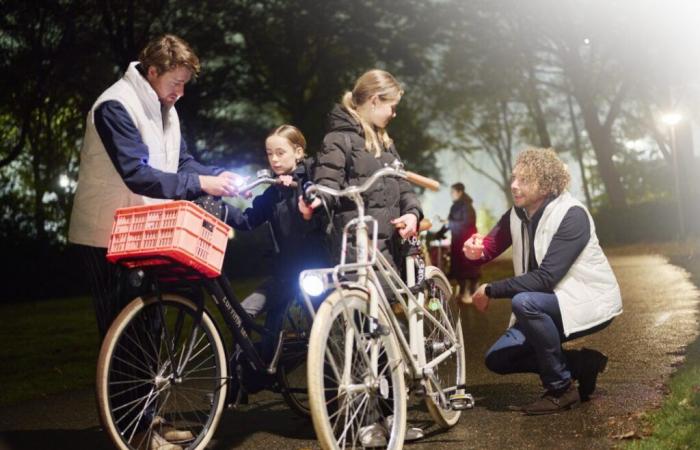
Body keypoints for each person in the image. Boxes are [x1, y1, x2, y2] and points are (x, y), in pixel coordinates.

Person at [68, 34, 240, 450]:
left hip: (143, 230)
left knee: (150, 326)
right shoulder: (116, 106)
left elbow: (179, 162)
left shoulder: (165, 108)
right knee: (124, 335)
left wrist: (220, 178)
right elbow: (138, 172)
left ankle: (150, 421)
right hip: (105, 233)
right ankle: (136, 434)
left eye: (184, 85)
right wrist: (201, 184)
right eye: (175, 83)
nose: (179, 94)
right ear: (153, 71)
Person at [300, 69, 424, 445]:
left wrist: (412, 213)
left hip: (387, 249)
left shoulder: (385, 142)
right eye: (391, 106)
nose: (394, 114)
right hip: (356, 249)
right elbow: (326, 180)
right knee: (358, 338)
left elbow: (402, 185)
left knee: (384, 338)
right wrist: (315, 195)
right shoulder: (339, 139)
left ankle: (392, 415)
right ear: (374, 101)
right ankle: (368, 420)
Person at [463, 147, 622, 415]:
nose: (514, 185)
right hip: (545, 302)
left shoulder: (573, 215)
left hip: (584, 299)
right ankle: (582, 364)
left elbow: (546, 278)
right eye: (514, 178)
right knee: (498, 358)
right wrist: (474, 251)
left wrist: (491, 289)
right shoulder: (517, 213)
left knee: (525, 303)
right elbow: (488, 247)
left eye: (524, 180)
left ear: (547, 184)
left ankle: (561, 389)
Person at [224, 124, 328, 395]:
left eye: (281, 153)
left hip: (315, 273)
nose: (274, 159)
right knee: (241, 313)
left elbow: (318, 208)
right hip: (285, 273)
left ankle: (330, 396)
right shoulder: (271, 192)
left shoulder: (314, 177)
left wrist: (298, 188)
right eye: (270, 154)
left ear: (298, 152)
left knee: (324, 334)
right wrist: (218, 206)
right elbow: (247, 220)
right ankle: (247, 376)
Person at [436, 182, 481, 300]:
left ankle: (471, 293)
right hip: (457, 241)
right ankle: (463, 293)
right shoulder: (454, 207)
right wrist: (440, 233)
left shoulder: (467, 206)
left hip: (467, 241)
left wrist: (448, 224)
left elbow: (467, 224)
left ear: (459, 192)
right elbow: (449, 222)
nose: (451, 194)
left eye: (453, 192)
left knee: (468, 268)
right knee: (459, 268)